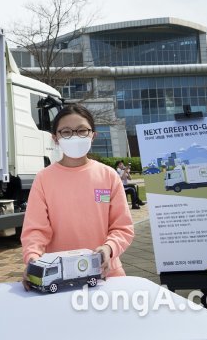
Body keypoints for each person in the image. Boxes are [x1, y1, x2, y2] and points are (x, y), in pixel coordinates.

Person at [21, 104, 134, 285]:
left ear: (93, 135)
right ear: (55, 138)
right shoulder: (44, 178)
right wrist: (33, 259)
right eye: (66, 132)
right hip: (58, 275)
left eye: (82, 131)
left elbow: (122, 227)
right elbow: (35, 230)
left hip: (106, 273)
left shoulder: (108, 176)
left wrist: (108, 248)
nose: (74, 136)